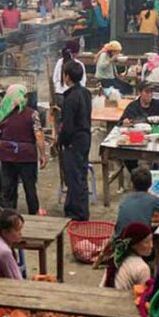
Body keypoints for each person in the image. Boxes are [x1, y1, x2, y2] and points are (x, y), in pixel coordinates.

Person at [0, 84, 46, 215]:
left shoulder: (4, 114)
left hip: (6, 155)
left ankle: (9, 215)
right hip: (26, 155)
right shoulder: (32, 114)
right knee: (29, 186)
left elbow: (0, 135)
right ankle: (33, 213)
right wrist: (43, 155)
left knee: (9, 187)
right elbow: (39, 135)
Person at [58, 61, 91, 221]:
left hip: (74, 141)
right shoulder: (85, 93)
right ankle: (74, 208)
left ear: (67, 77)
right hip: (85, 138)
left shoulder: (71, 98)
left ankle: (79, 213)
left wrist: (61, 140)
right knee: (80, 174)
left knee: (74, 177)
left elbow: (68, 126)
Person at [115, 168, 159, 236]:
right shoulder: (152, 199)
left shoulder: (125, 199)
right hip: (139, 241)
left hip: (119, 240)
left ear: (132, 184)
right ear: (151, 184)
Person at [103, 221, 156, 290]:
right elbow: (144, 296)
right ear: (134, 245)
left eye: (151, 240)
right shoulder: (142, 268)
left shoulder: (116, 258)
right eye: (146, 242)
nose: (151, 245)